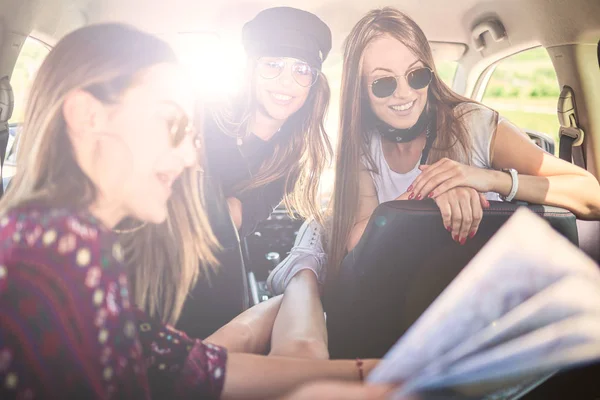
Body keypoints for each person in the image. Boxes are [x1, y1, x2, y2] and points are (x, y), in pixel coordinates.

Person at [0, 23, 394, 399]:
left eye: (191, 135)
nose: (190, 156)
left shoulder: (56, 240)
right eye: (172, 124)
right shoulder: (59, 252)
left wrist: (370, 373)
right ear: (89, 117)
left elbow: (188, 365)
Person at [269, 6, 600, 313]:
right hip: (400, 305)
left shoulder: (473, 124)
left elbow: (591, 197)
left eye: (417, 76)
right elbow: (354, 243)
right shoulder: (363, 145)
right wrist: (430, 191)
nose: (405, 93)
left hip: (484, 303)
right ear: (360, 91)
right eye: (383, 83)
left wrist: (488, 178)